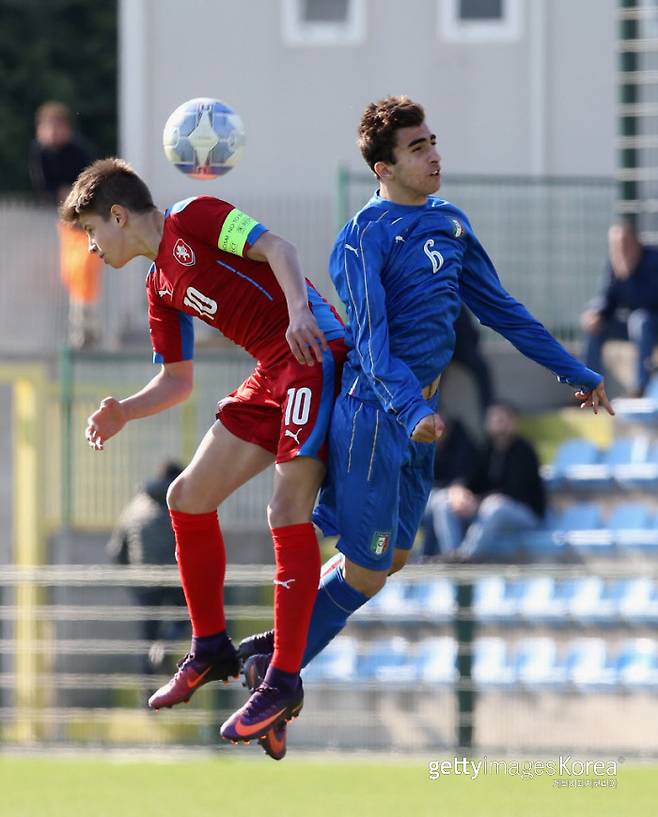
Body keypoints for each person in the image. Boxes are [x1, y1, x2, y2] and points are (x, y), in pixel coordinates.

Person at [238, 95, 613, 760]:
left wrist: (575, 372)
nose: (434, 153)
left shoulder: (451, 224)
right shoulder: (362, 237)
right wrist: (413, 411)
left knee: (391, 564)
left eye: (433, 141)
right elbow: (373, 344)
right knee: (366, 566)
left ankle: (277, 647)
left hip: (417, 422)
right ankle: (278, 681)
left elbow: (505, 311)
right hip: (378, 417)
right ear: (384, 167)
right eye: (417, 147)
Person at [59, 158, 347, 746]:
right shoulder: (158, 285)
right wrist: (124, 412)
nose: (91, 247)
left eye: (91, 230)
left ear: (118, 216)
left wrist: (298, 311)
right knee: (185, 497)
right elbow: (177, 380)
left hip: (312, 352)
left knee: (285, 510)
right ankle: (211, 647)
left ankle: (283, 679)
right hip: (272, 371)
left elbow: (281, 250)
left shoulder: (195, 216)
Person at [430, 402, 544, 562]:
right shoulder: (487, 450)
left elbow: (517, 492)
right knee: (445, 502)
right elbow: (473, 481)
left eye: (501, 419)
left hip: (525, 514)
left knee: (494, 506)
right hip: (487, 508)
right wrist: (462, 493)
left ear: (513, 422)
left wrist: (479, 501)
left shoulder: (524, 451)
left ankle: (467, 557)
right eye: (492, 419)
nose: (496, 424)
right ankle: (452, 554)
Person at [29, 101, 102, 349]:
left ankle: (86, 328)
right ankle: (80, 327)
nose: (52, 134)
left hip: (86, 220)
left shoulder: (77, 151)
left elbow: (92, 181)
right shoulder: (40, 152)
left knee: (85, 270)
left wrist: (76, 198)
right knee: (71, 273)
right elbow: (45, 188)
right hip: (67, 222)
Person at [106, 461, 188, 675]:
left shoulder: (135, 507)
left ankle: (147, 696)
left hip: (145, 581)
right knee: (189, 618)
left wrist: (133, 578)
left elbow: (116, 551)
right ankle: (167, 642)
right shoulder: (184, 502)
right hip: (179, 578)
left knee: (146, 639)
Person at [581, 220, 658, 397]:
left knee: (641, 320)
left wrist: (629, 275)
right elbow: (607, 299)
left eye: (624, 243)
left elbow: (650, 301)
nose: (619, 249)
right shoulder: (615, 263)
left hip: (651, 323)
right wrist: (596, 313)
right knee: (595, 326)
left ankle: (641, 389)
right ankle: (590, 389)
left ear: (636, 242)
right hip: (633, 326)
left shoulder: (653, 259)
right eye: (615, 245)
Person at [420, 416, 480, 559]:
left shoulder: (461, 443)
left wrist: (457, 489)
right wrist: (451, 491)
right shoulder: (414, 444)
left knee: (444, 505)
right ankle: (451, 558)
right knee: (442, 501)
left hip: (456, 504)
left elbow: (469, 476)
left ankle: (453, 558)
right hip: (416, 501)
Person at [450, 305, 494, 417]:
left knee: (481, 370)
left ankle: (489, 413)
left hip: (460, 347)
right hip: (435, 349)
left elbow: (469, 331)